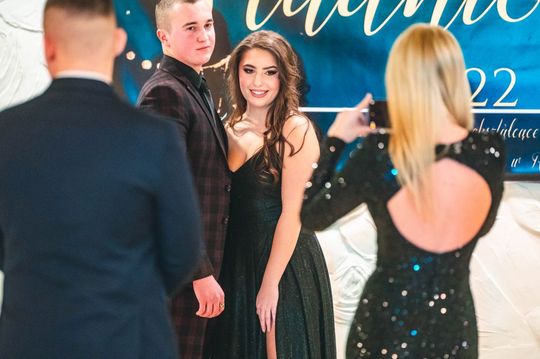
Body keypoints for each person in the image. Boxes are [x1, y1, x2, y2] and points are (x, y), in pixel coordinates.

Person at [0, 0, 202, 359]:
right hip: (131, 338)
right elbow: (184, 250)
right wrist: (131, 293)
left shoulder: (5, 132)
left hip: (32, 340)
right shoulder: (154, 137)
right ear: (118, 42)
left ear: (48, 47)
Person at [301, 24, 506, 358]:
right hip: (454, 330)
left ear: (401, 80)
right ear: (454, 76)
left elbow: (312, 216)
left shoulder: (381, 153)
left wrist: (336, 140)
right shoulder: (489, 152)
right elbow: (482, 227)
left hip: (385, 329)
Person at [211, 30, 336, 359]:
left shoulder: (295, 129)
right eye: (249, 70)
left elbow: (294, 214)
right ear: (236, 73)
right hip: (238, 263)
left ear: (284, 77)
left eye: (270, 72)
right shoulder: (227, 128)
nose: (258, 82)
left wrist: (270, 284)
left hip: (284, 263)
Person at [137, 0, 230, 358]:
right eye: (190, 27)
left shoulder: (193, 86)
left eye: (208, 25)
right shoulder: (165, 93)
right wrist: (200, 273)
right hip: (181, 277)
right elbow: (162, 192)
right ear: (164, 36)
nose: (204, 36)